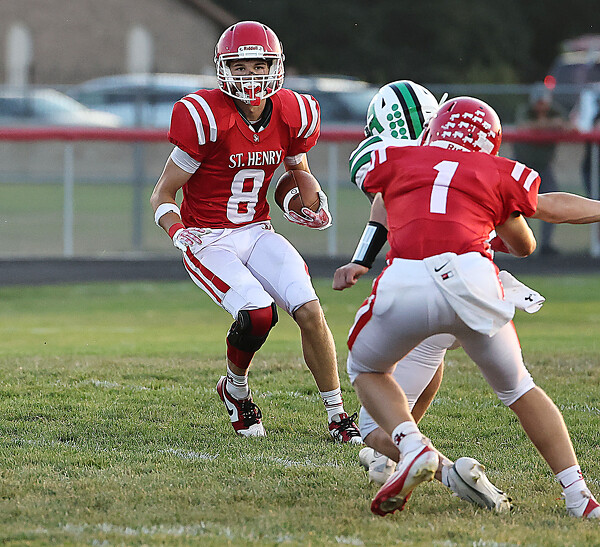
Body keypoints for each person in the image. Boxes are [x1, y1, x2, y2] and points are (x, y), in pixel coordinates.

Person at [344, 95, 600, 518]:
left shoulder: (398, 158)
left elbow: (379, 197)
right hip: (472, 284)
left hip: (409, 281)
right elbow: (537, 229)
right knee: (520, 389)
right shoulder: (495, 171)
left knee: (366, 370)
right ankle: (579, 496)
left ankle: (412, 448)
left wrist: (359, 259)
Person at [150, 21, 361, 443]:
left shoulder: (294, 112)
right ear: (224, 70)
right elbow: (162, 193)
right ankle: (236, 390)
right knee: (259, 314)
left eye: (259, 66)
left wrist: (309, 204)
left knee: (310, 310)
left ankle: (337, 415)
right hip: (208, 237)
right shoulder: (205, 117)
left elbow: (296, 174)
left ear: (275, 66)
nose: (251, 76)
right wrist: (177, 231)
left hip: (257, 230)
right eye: (240, 67)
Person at [513, 88, 572, 255]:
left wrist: (551, 124)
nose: (540, 106)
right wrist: (550, 125)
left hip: (544, 167)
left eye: (543, 102)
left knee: (551, 200)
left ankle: (546, 244)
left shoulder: (555, 110)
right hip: (523, 167)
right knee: (519, 204)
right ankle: (522, 244)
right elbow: (522, 127)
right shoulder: (526, 111)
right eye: (538, 102)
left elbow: (571, 126)